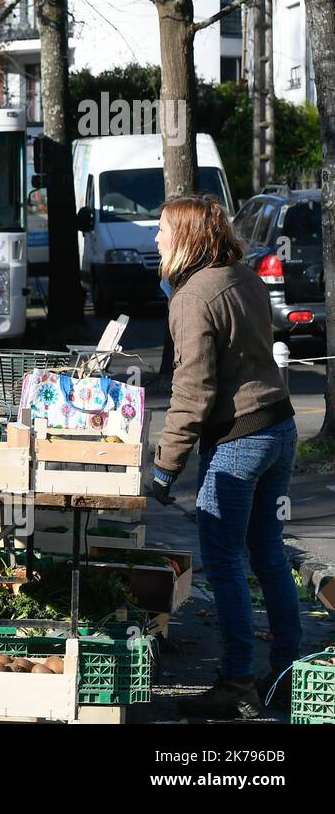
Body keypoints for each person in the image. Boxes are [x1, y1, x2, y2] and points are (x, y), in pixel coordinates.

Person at [150, 195, 299, 719]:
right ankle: (284, 673)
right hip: (279, 426)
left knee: (225, 561)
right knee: (268, 554)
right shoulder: (242, 274)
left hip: (241, 440)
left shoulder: (194, 297)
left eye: (163, 230)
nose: (156, 239)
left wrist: (164, 467)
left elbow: (192, 391)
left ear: (186, 236)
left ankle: (236, 681)